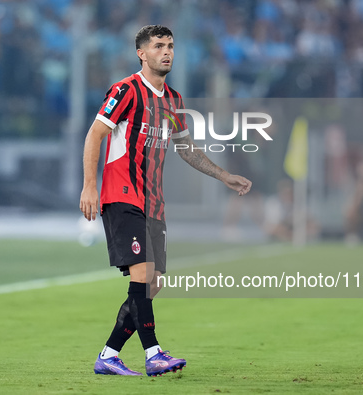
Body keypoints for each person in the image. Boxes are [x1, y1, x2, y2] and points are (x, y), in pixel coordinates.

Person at [79, 25, 252, 377]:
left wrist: (223, 176)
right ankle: (154, 353)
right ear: (142, 53)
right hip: (123, 195)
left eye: (170, 45)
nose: (166, 51)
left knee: (153, 283)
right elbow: (95, 134)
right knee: (142, 276)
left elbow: (186, 149)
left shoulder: (173, 101)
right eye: (158, 46)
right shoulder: (125, 91)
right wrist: (89, 186)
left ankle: (109, 355)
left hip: (154, 203)